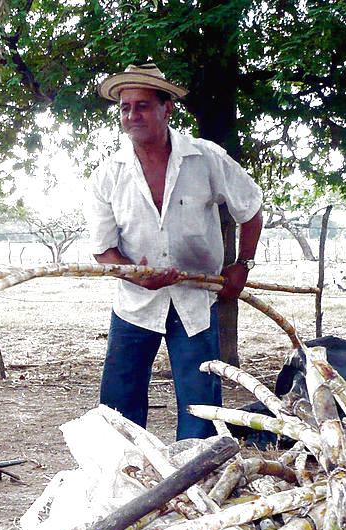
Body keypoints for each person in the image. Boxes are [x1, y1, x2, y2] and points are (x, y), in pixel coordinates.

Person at [84, 62, 263, 440]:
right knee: (118, 407)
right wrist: (134, 274)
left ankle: (195, 484)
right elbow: (103, 250)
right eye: (125, 107)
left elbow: (251, 209)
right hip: (134, 304)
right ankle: (126, 481)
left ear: (168, 109)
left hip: (195, 300)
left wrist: (242, 265)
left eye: (143, 106)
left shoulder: (205, 158)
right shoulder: (107, 175)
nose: (132, 115)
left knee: (202, 408)